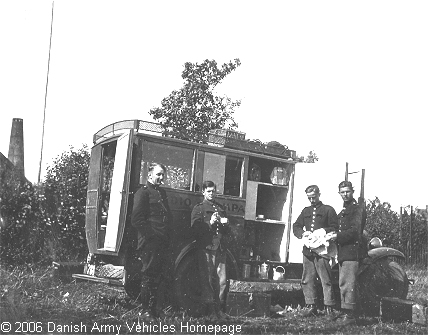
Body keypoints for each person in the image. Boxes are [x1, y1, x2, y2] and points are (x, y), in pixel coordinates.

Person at [130, 163, 171, 321]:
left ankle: (157, 310)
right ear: (150, 176)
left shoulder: (162, 193)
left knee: (159, 276)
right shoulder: (143, 193)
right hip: (150, 242)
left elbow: (167, 218)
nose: (161, 178)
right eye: (158, 174)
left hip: (162, 241)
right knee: (149, 275)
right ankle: (146, 311)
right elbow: (137, 220)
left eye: (163, 175)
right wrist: (151, 237)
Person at [293, 185, 338, 317]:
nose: (312, 200)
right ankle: (310, 305)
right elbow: (296, 226)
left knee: (326, 279)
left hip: (322, 250)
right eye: (309, 198)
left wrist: (323, 231)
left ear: (319, 194)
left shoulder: (328, 210)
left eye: (314, 197)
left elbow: (335, 227)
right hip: (308, 250)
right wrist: (303, 234)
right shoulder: (305, 211)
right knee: (307, 278)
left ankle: (329, 306)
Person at [326, 181, 367, 326]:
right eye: (342, 192)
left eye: (347, 191)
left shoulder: (357, 209)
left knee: (348, 283)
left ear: (352, 191)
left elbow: (355, 232)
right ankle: (346, 311)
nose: (345, 194)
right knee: (344, 282)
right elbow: (338, 226)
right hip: (344, 251)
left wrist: (337, 236)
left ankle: (350, 316)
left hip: (352, 251)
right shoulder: (344, 211)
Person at [191, 181, 230, 321]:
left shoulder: (220, 208)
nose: (211, 193)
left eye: (213, 191)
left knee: (222, 281)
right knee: (207, 280)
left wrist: (226, 224)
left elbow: (226, 231)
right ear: (203, 192)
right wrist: (210, 224)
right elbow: (195, 229)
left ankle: (219, 310)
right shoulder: (199, 209)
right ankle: (210, 312)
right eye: (208, 191)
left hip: (220, 247)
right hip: (207, 248)